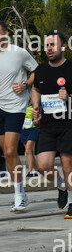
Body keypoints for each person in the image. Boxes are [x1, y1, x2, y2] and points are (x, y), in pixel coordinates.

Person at [0, 20, 38, 212]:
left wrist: (26, 85)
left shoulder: (19, 53)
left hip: (17, 106)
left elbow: (36, 71)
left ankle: (19, 195)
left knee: (11, 150)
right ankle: (21, 192)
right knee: (6, 152)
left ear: (6, 34)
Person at [31, 30, 72, 218]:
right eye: (47, 45)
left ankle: (71, 202)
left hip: (68, 124)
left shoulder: (70, 68)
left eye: (53, 44)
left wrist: (69, 97)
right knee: (43, 165)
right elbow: (35, 89)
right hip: (47, 125)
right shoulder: (40, 70)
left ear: (63, 47)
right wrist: (36, 106)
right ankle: (61, 186)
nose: (49, 48)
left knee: (67, 164)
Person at [21, 104, 39, 177]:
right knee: (30, 152)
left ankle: (31, 171)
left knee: (28, 150)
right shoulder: (21, 105)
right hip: (23, 130)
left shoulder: (36, 105)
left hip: (33, 129)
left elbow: (41, 115)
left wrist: (37, 119)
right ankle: (37, 169)